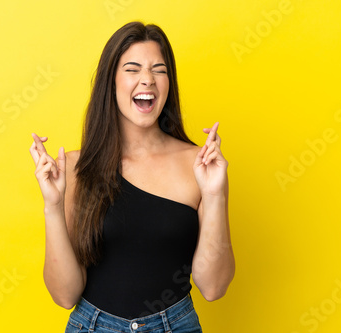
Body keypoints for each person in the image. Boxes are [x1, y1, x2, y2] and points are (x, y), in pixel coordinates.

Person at [29, 21, 234, 333]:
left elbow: (213, 287)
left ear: (169, 82)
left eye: (159, 70)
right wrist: (52, 206)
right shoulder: (74, 168)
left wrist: (216, 194)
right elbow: (65, 295)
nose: (147, 80)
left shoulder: (201, 165)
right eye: (133, 69)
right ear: (111, 82)